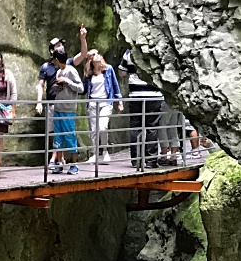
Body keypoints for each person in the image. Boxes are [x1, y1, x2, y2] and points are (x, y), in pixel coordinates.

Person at [73, 27, 122, 162]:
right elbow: (83, 89)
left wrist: (120, 101)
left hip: (106, 102)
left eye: (97, 54)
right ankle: (94, 154)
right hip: (92, 103)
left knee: (103, 127)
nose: (97, 56)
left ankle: (105, 151)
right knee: (93, 130)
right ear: (90, 59)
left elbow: (115, 85)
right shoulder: (88, 74)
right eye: (94, 55)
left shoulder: (109, 70)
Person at [123, 52, 165, 168]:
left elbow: (122, 72)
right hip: (154, 95)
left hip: (135, 95)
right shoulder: (155, 49)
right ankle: (151, 161)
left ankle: (136, 160)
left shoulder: (128, 52)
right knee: (152, 128)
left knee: (135, 127)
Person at [47, 47, 84, 174]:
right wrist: (56, 88)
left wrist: (67, 81)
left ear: (57, 60)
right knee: (58, 137)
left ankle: (74, 164)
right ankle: (59, 163)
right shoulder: (58, 72)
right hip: (58, 108)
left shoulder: (71, 71)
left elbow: (80, 88)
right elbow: (61, 88)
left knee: (69, 136)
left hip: (68, 109)